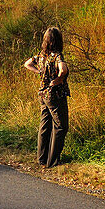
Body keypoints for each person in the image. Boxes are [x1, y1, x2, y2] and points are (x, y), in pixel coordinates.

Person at [23, 26, 70, 167]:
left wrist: (39, 72)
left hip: (42, 94)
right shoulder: (57, 56)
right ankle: (53, 160)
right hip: (55, 95)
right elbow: (63, 69)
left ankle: (42, 159)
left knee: (45, 125)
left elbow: (27, 64)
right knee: (61, 126)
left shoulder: (41, 56)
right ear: (58, 40)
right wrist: (59, 79)